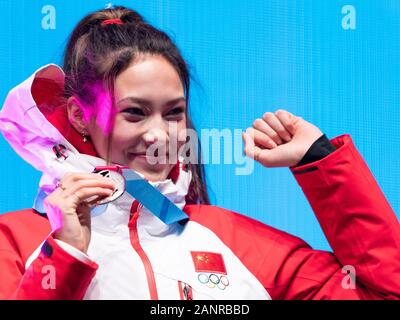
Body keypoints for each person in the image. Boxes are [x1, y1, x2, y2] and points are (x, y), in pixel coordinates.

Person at [0, 6, 398, 300]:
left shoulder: (235, 242)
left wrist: (319, 159)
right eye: (135, 113)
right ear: (79, 115)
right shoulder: (18, 242)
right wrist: (66, 254)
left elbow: (385, 293)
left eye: (173, 113)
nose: (159, 135)